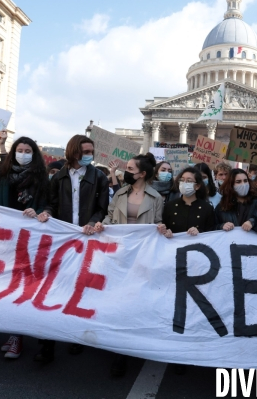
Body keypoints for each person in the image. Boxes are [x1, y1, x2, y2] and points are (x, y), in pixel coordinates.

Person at [36, 135, 109, 363]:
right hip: (63, 241)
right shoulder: (58, 177)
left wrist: (91, 222)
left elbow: (103, 208)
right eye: (85, 151)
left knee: (81, 291)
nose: (89, 155)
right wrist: (47, 212)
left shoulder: (99, 177)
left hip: (88, 241)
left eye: (91, 151)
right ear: (73, 152)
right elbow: (52, 203)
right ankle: (46, 343)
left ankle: (76, 337)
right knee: (55, 290)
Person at [94, 152, 163, 376]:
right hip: (118, 254)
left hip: (141, 256)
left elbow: (158, 223)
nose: (127, 172)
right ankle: (117, 349)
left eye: (131, 169)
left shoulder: (156, 198)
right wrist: (101, 226)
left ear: (142, 174)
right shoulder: (120, 193)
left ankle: (128, 348)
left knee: (134, 302)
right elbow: (109, 216)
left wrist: (162, 229)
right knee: (116, 300)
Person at [0, 136, 49, 359]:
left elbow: (48, 203)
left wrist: (38, 212)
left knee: (23, 288)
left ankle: (18, 337)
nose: (24, 153)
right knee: (7, 287)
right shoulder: (5, 175)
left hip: (30, 240)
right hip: (7, 238)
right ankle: (12, 335)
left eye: (28, 150)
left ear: (34, 154)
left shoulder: (41, 178)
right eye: (20, 150)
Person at [214, 169, 257, 236]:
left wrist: (255, 221)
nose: (243, 184)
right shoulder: (222, 207)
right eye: (238, 182)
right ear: (231, 185)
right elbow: (212, 229)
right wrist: (221, 226)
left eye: (245, 181)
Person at [160, 167, 215, 237]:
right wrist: (166, 231)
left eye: (189, 181)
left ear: (197, 186)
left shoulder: (207, 208)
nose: (184, 183)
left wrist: (199, 232)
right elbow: (164, 226)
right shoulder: (170, 206)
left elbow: (211, 232)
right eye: (182, 180)